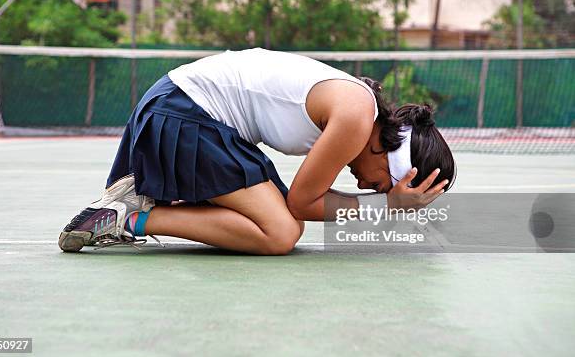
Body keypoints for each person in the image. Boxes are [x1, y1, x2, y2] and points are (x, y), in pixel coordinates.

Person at [58, 48, 455, 255]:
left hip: (187, 115)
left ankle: (134, 210)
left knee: (281, 226)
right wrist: (387, 208)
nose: (370, 187)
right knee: (280, 230)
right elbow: (301, 203)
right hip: (183, 114)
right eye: (384, 186)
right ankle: (131, 217)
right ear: (388, 153)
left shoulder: (358, 110)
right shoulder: (355, 117)